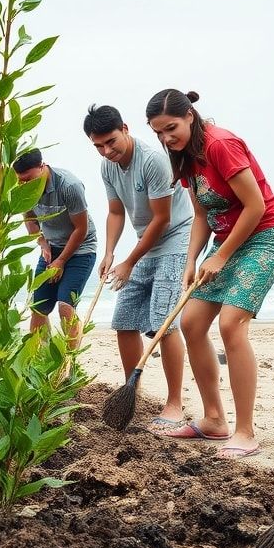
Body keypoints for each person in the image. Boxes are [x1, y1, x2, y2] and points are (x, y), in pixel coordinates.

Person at [146, 89, 274, 459]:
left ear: (190, 116)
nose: (166, 138)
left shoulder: (220, 145)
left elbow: (256, 206)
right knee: (191, 323)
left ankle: (245, 432)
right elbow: (200, 215)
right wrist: (193, 259)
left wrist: (222, 256)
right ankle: (213, 420)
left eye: (171, 128)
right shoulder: (184, 156)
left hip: (265, 237)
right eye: (159, 133)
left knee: (230, 325)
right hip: (226, 241)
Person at [84, 105, 193, 431]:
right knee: (124, 319)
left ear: (126, 129)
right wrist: (110, 252)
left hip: (176, 238)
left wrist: (129, 261)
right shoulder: (109, 166)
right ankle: (133, 392)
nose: (107, 151)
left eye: (111, 142)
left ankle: (175, 403)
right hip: (144, 241)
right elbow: (116, 212)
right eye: (98, 146)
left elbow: (163, 219)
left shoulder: (154, 160)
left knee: (164, 323)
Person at [12, 148, 98, 348]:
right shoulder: (23, 188)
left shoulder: (69, 185)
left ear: (42, 167)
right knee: (38, 308)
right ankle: (43, 362)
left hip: (81, 248)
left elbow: (81, 229)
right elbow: (30, 219)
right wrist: (42, 243)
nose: (25, 185)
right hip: (52, 246)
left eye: (29, 179)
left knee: (65, 307)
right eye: (21, 181)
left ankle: (69, 364)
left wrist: (60, 261)